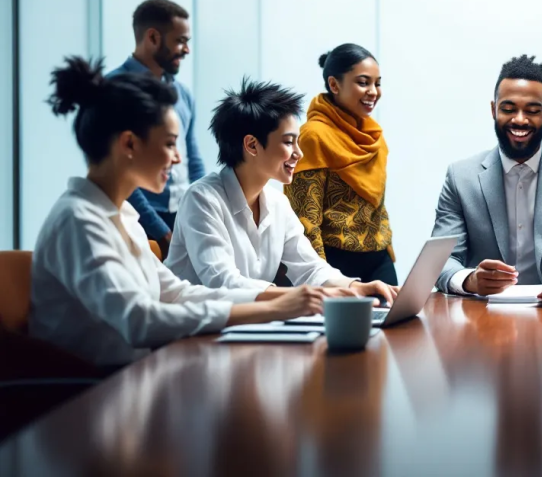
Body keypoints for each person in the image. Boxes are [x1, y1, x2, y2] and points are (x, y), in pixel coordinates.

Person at [30, 58, 324, 369]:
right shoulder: (78, 220)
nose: (178, 157)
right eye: (170, 143)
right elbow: (140, 319)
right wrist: (273, 308)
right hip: (90, 393)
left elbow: (174, 292)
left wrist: (278, 301)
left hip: (139, 375)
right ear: (129, 143)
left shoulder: (124, 216)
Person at [165, 79, 397, 304]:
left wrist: (355, 287)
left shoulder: (277, 202)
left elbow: (310, 268)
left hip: (248, 329)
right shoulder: (201, 199)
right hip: (191, 335)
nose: (299, 153)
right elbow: (222, 282)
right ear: (252, 145)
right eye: (288, 142)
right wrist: (298, 297)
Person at [431, 54, 542, 303]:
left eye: (532, 110)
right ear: (493, 109)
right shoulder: (460, 177)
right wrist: (469, 280)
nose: (520, 119)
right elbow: (441, 261)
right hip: (481, 316)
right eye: (508, 109)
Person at [284, 44, 397, 286]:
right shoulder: (313, 136)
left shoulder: (374, 136)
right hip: (334, 262)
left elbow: (377, 207)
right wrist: (320, 279)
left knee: (398, 321)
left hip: (378, 256)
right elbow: (305, 219)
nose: (373, 92)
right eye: (363, 82)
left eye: (377, 83)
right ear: (334, 85)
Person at [106, 0, 205, 258]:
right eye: (180, 41)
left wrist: (203, 209)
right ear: (152, 37)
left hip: (182, 218)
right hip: (137, 218)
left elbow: (193, 159)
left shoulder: (182, 93)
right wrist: (160, 230)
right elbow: (118, 167)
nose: (186, 50)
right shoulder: (114, 89)